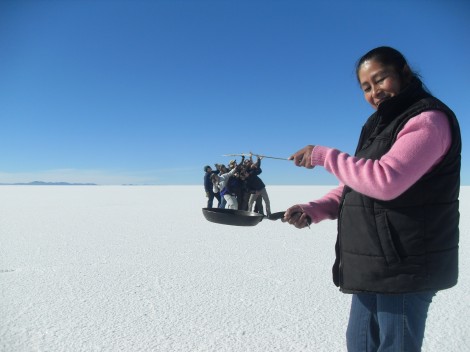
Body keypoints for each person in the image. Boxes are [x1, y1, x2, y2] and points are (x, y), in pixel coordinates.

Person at [282, 46, 461, 351]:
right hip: (373, 264)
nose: (374, 92)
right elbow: (357, 184)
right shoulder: (379, 126)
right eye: (366, 87)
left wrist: (323, 155)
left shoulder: (428, 120)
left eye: (380, 80)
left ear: (403, 72)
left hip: (406, 266)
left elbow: (384, 181)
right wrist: (314, 209)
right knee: (360, 345)